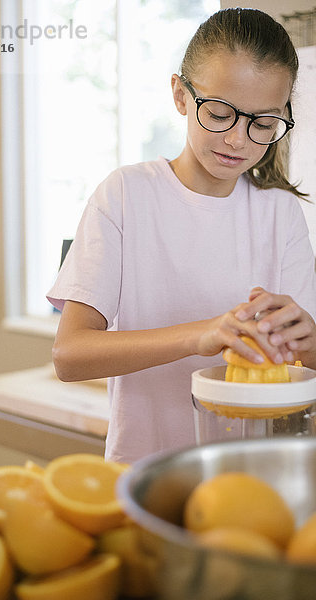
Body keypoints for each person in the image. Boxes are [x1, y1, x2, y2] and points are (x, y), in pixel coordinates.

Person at [47, 8, 316, 463]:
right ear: (180, 95)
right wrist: (201, 335)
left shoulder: (281, 212)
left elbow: (305, 365)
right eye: (219, 113)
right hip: (144, 472)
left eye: (263, 123)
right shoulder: (126, 194)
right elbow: (70, 355)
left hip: (253, 476)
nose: (237, 139)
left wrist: (307, 341)